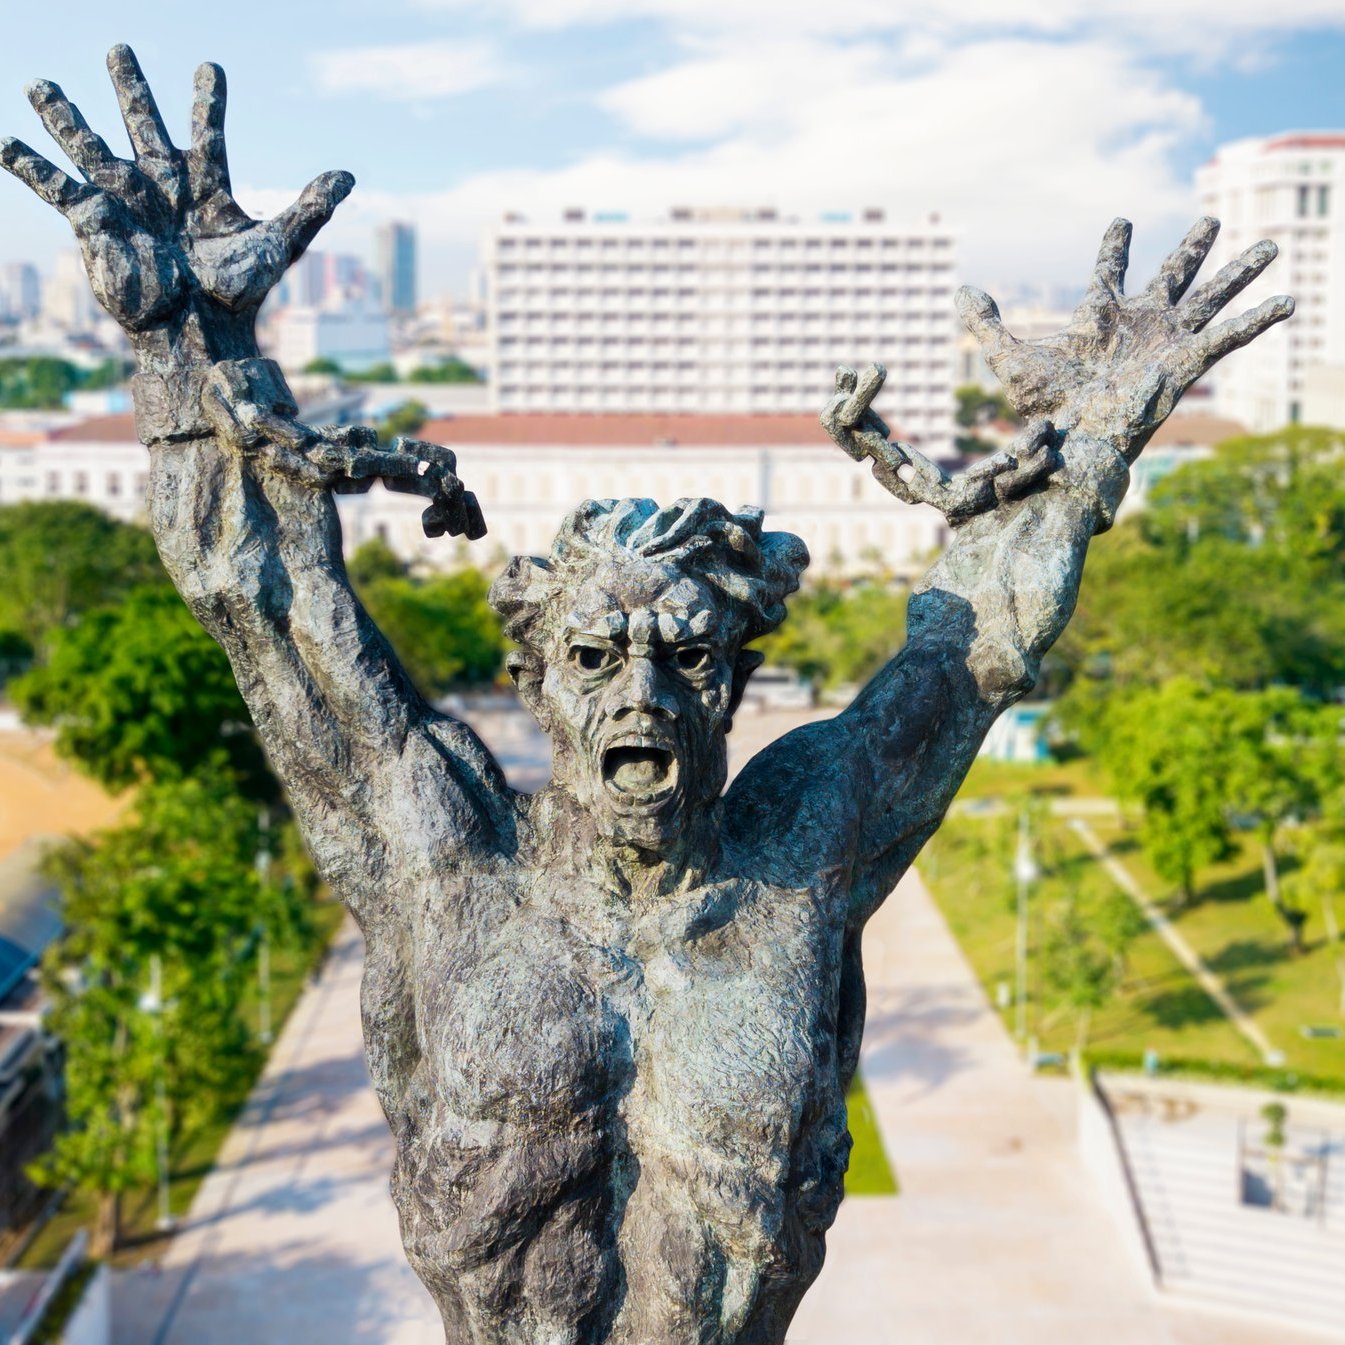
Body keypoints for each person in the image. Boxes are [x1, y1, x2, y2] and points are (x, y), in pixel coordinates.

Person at [1, 46, 1292, 1345]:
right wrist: (186, 355)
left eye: (686, 657)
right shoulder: (442, 863)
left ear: (733, 680)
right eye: (594, 657)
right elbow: (262, 602)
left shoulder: (805, 849)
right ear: (533, 681)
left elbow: (978, 650)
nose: (643, 696)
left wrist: (1085, 447)